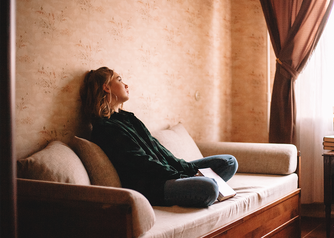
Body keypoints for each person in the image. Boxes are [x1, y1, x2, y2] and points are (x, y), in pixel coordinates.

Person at [80, 66, 238, 207]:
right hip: (153, 185)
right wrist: (180, 176)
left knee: (229, 162)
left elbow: (158, 149)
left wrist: (186, 168)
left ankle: (196, 182)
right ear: (106, 87)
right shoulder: (105, 129)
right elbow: (140, 162)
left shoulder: (129, 118)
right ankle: (200, 185)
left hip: (167, 172)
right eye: (120, 80)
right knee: (209, 187)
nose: (126, 85)